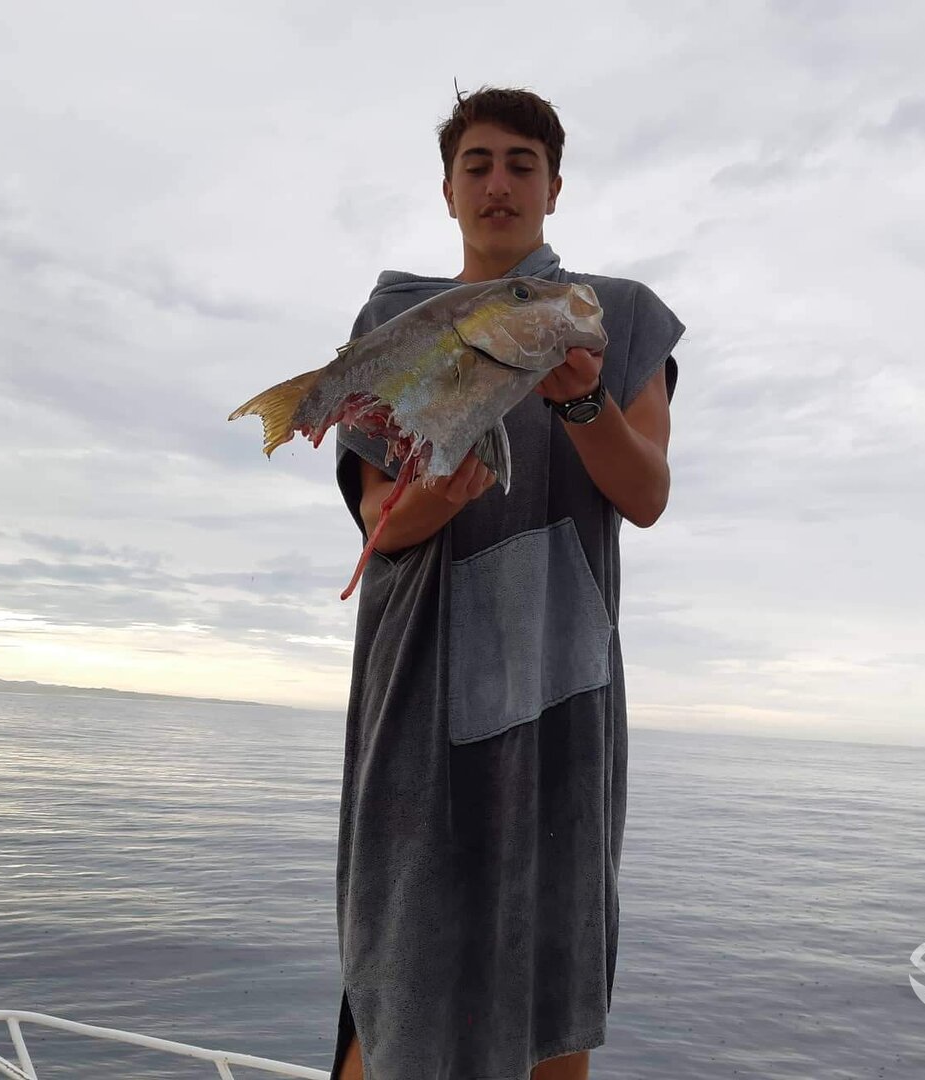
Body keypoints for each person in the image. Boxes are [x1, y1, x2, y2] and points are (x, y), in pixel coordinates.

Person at [329, 86, 684, 1080]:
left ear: (554, 188)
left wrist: (584, 404)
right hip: (423, 673)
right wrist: (436, 495)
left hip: (563, 678)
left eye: (522, 164)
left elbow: (647, 495)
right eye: (476, 164)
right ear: (447, 189)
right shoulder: (393, 319)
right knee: (401, 950)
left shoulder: (613, 316)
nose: (498, 183)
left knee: (556, 969)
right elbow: (381, 521)